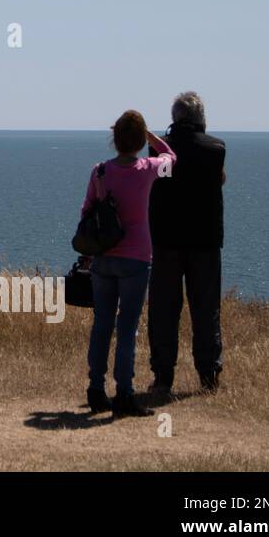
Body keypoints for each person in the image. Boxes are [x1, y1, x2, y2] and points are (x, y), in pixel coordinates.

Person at [83, 110, 176, 417]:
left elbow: (86, 212)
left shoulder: (99, 172)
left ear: (114, 139)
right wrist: (152, 137)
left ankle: (96, 389)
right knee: (127, 330)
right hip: (136, 258)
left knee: (102, 326)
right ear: (139, 140)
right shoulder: (148, 169)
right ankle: (124, 393)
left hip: (103, 259)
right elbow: (171, 158)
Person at [147, 91, 227, 397]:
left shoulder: (157, 151)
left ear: (174, 118)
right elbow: (217, 178)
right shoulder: (216, 149)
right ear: (200, 119)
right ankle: (209, 375)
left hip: (166, 240)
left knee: (164, 310)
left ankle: (163, 376)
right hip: (204, 241)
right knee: (206, 309)